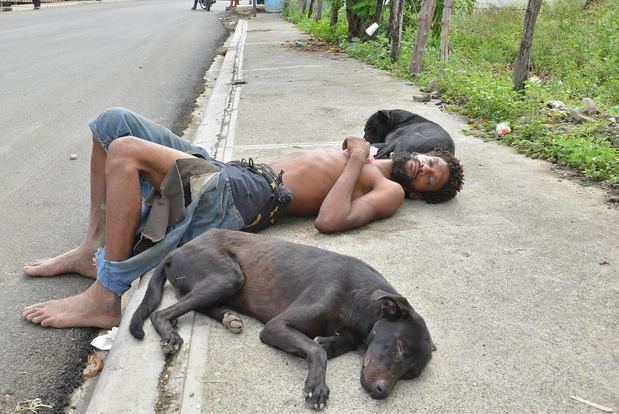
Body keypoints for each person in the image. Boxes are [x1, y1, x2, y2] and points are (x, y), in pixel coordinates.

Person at [22, 107, 463, 329]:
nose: (423, 168)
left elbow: (328, 220)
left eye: (429, 178)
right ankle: (91, 249)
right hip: (237, 172)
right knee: (111, 123)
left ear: (421, 196)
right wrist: (358, 156)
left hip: (248, 199)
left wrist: (357, 161)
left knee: (125, 152)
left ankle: (106, 297)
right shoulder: (369, 163)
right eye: (427, 161)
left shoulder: (388, 192)